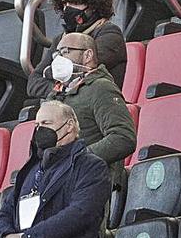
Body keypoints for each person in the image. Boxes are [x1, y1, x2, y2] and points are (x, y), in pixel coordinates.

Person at [0, 101, 110, 238]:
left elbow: (80, 213)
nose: (40, 130)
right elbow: (6, 212)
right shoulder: (30, 170)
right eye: (37, 125)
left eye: (46, 123)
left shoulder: (90, 166)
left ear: (70, 125)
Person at [28, 0, 127, 98]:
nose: (67, 9)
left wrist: (50, 72)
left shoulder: (109, 33)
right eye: (64, 4)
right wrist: (60, 89)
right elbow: (33, 83)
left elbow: (80, 69)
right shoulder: (60, 40)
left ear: (93, 6)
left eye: (74, 3)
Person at [44, 31, 137, 172]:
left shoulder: (100, 88)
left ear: (88, 55)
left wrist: (77, 159)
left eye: (65, 52)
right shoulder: (54, 95)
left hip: (93, 182)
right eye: (57, 54)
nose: (58, 60)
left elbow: (123, 137)